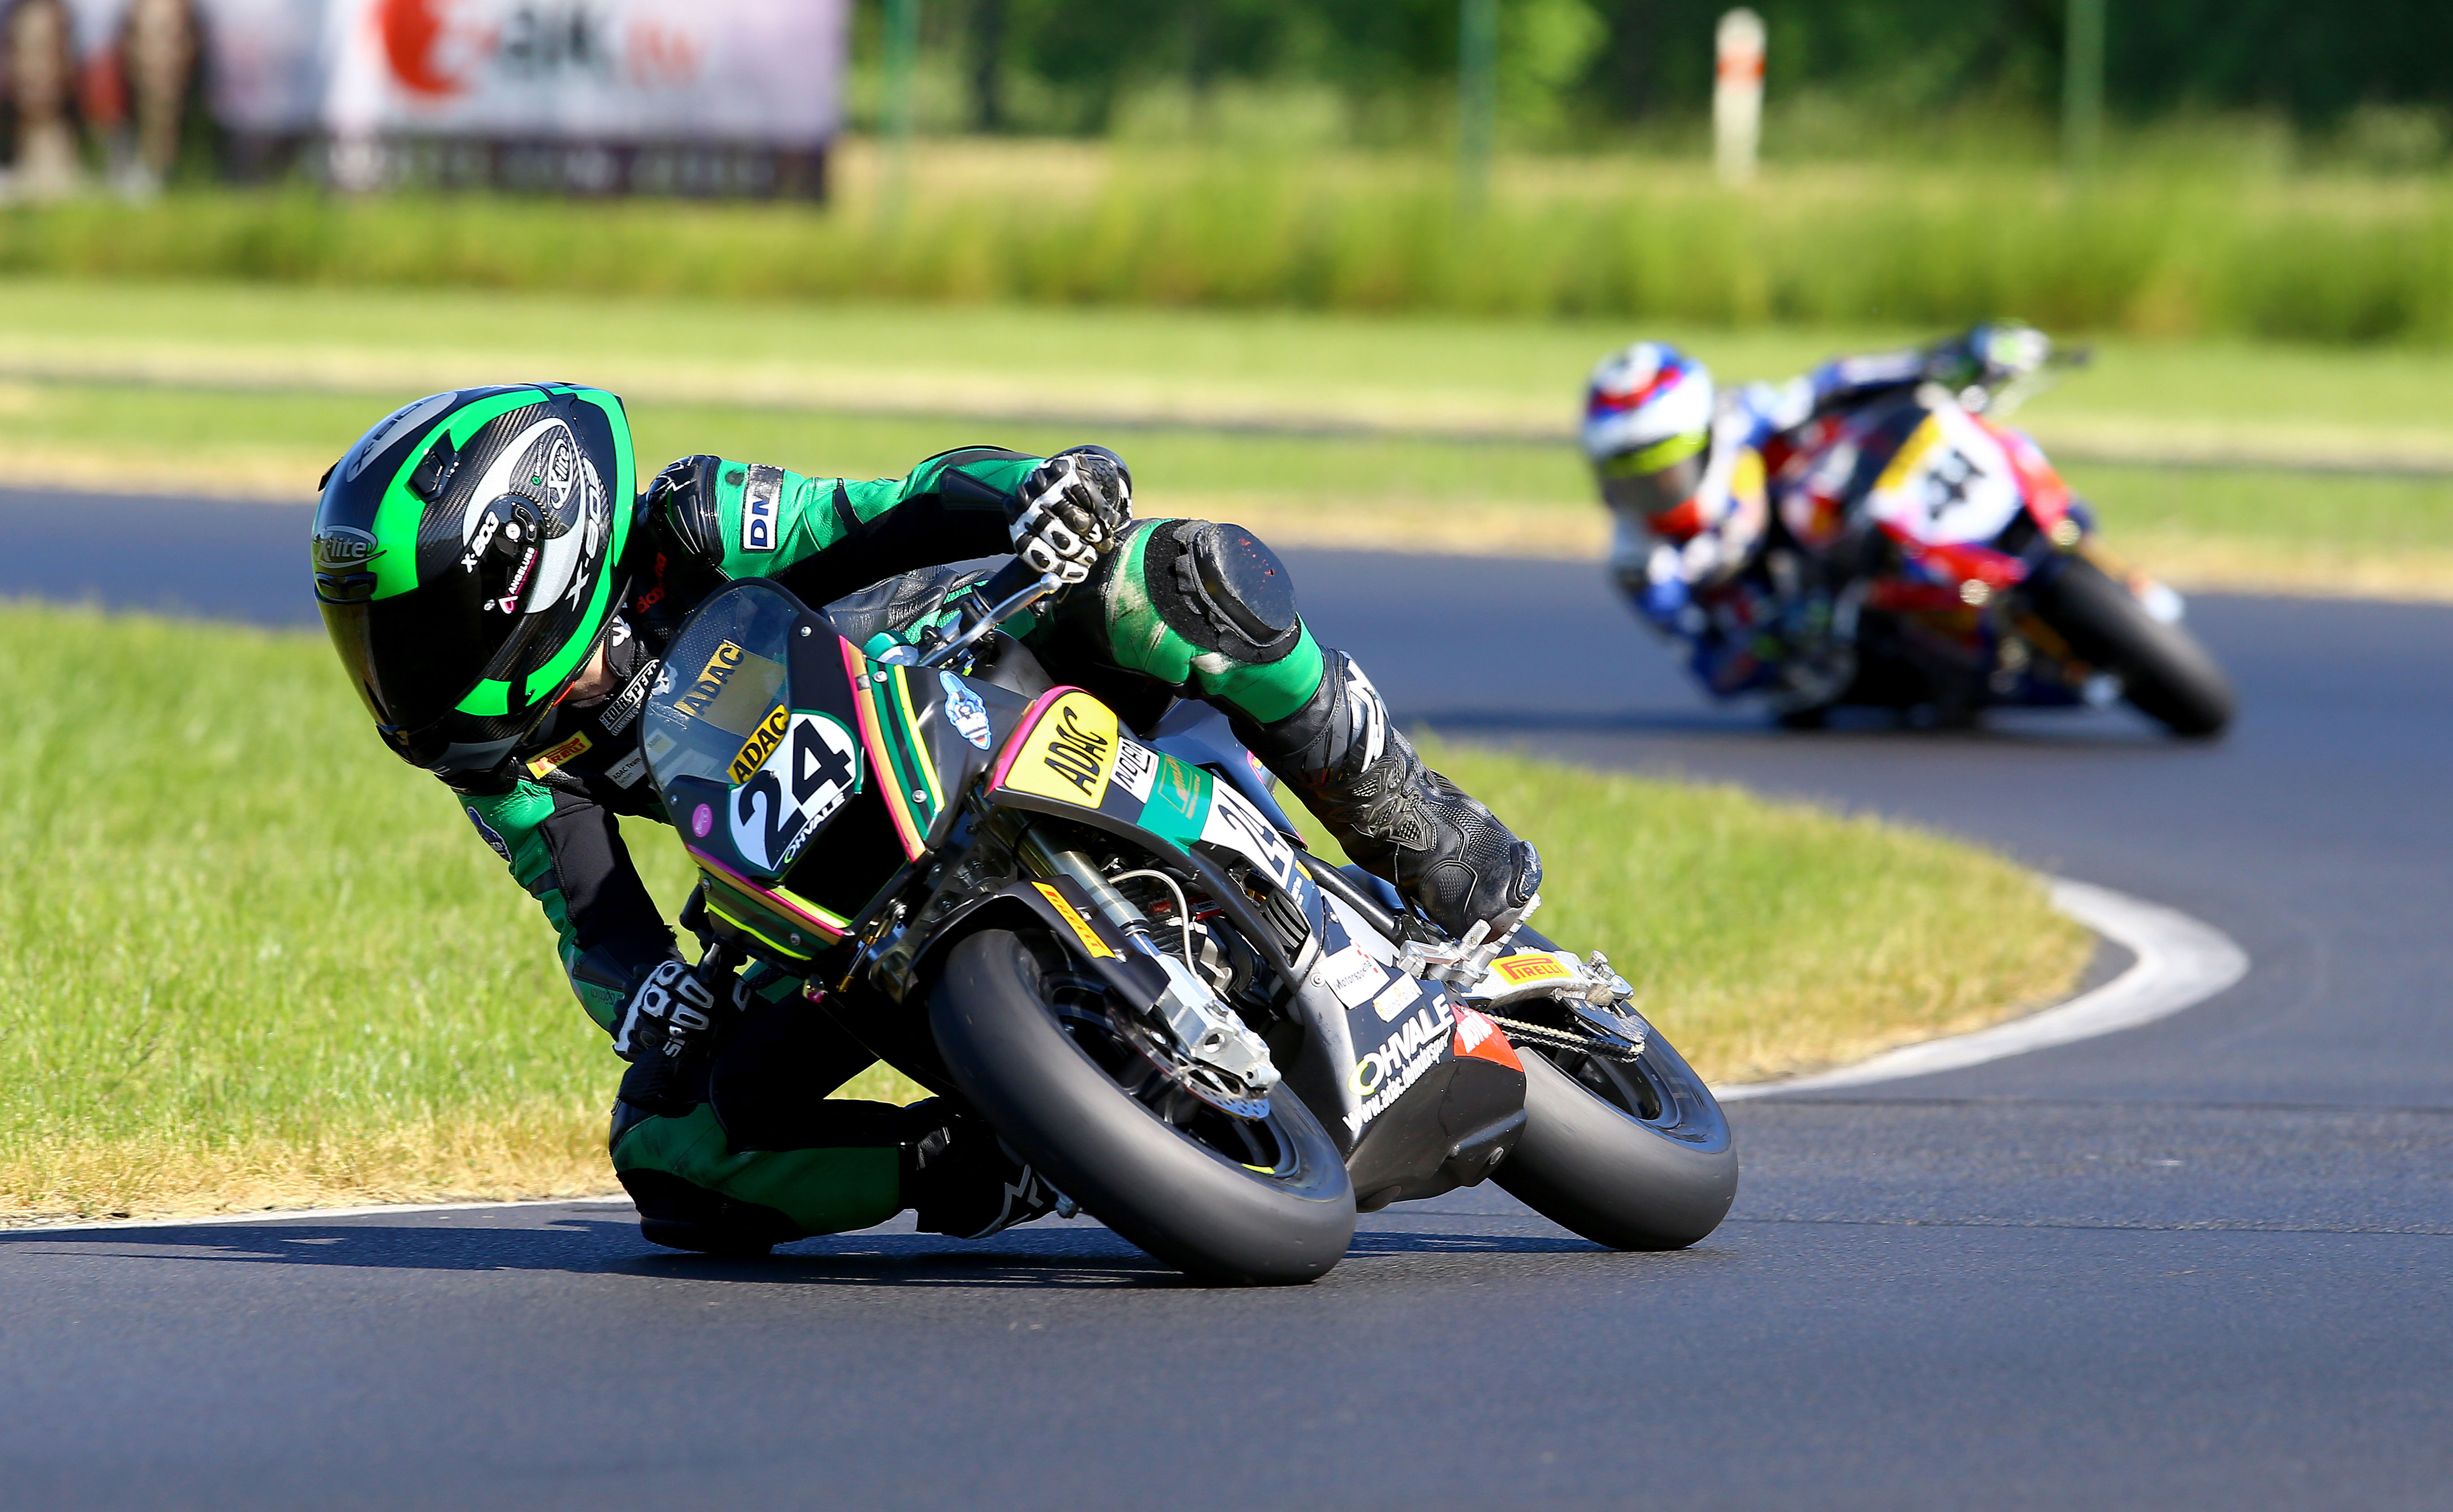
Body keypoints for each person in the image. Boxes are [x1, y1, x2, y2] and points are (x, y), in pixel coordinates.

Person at [311, 383, 1541, 1254]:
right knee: (672, 1154)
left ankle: (1406, 817)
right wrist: (646, 996)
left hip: (967, 670)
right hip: (821, 884)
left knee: (1171, 575)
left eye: (412, 629)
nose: (396, 669)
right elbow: (588, 913)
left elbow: (889, 506)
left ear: (526, 563)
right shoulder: (500, 754)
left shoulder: (689, 520)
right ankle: (993, 1155)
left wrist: (1041, 492)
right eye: (374, 638)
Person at [1582, 322, 2054, 714]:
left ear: (1704, 438)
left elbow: (1834, 381)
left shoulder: (1742, 418)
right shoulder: (1642, 565)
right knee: (1818, 694)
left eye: (1666, 472)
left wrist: (1952, 358)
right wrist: (1767, 643)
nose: (1654, 492)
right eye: (1632, 480)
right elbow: (1713, 674)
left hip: (1845, 535)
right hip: (1815, 643)